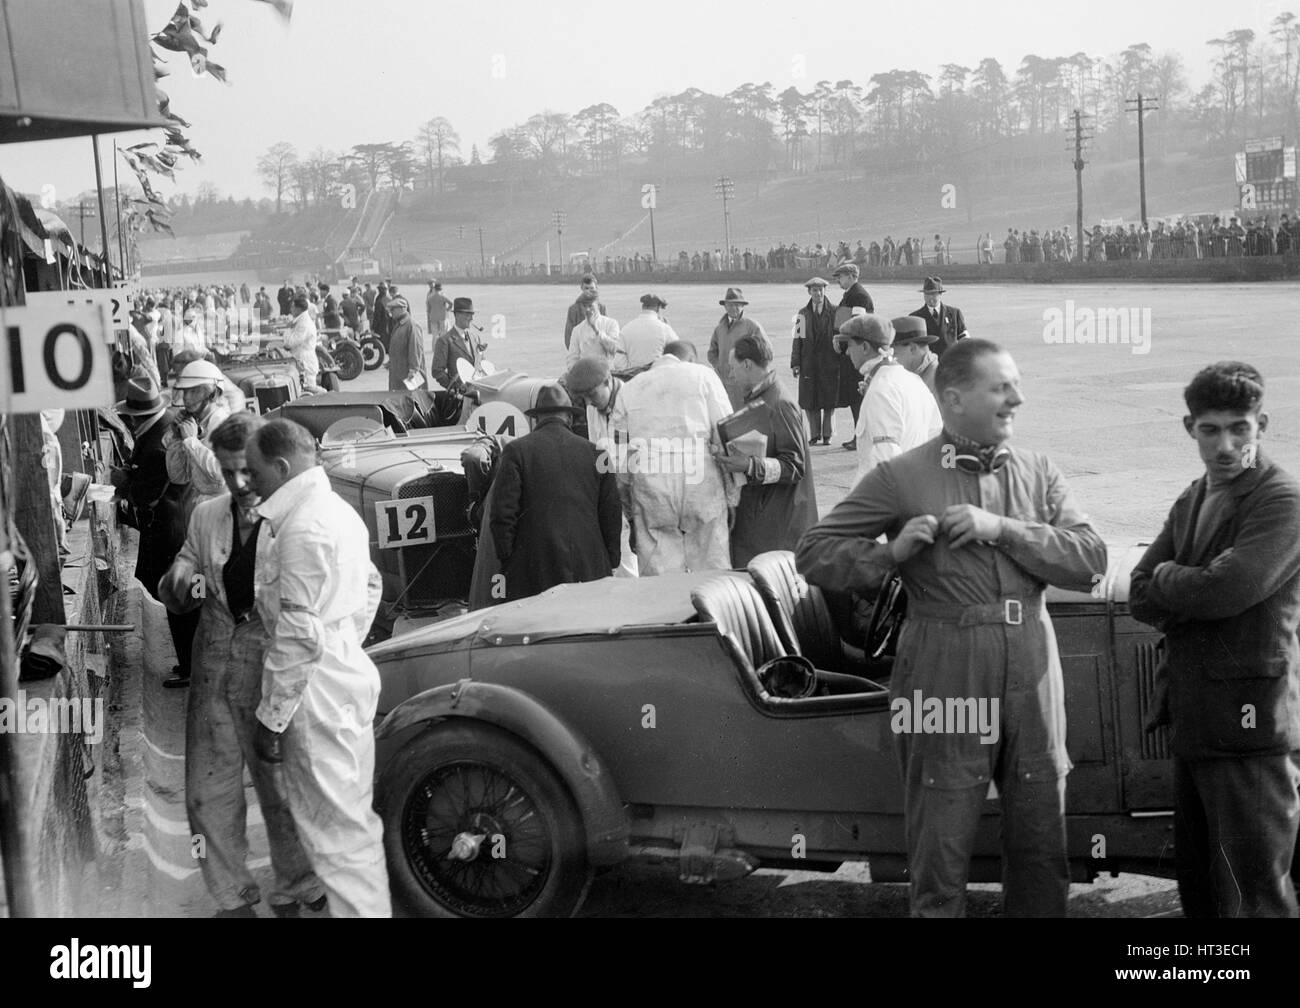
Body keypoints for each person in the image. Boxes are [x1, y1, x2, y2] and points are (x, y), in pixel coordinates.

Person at [796, 338, 1106, 917]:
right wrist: (887, 557)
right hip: (944, 671)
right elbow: (813, 552)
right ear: (956, 398)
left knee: (1042, 839)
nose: (1018, 398)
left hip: (1035, 670)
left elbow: (1090, 559)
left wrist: (1004, 529)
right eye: (1001, 387)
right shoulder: (902, 477)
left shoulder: (1039, 471)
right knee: (941, 842)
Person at [1129, 362, 1300, 918]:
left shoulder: (1281, 501)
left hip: (1251, 728)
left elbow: (1229, 591)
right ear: (1189, 428)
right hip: (1198, 719)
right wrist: (1190, 585)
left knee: (1253, 900)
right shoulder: (1195, 495)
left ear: (1262, 424)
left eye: (1240, 428)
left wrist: (1174, 580)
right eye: (1211, 430)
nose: (1226, 445)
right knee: (1204, 894)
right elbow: (1137, 591)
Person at [158, 413, 327, 918]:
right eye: (228, 472)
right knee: (205, 793)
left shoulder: (298, 519)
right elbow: (184, 572)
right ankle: (230, 895)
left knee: (282, 782)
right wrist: (180, 583)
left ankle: (299, 883)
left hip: (271, 661)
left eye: (246, 471)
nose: (238, 484)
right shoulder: (207, 516)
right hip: (214, 657)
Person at [244, 419, 391, 918]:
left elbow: (299, 633)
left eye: (255, 471)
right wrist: (344, 639)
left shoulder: (303, 525)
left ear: (283, 467)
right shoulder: (334, 511)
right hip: (342, 669)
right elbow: (371, 586)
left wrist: (271, 717)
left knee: (337, 835)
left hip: (318, 687)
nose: (249, 481)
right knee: (348, 824)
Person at [606, 341, 736, 575]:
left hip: (652, 485)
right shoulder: (704, 376)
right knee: (711, 566)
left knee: (660, 573)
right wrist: (733, 495)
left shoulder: (629, 389)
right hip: (701, 480)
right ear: (690, 359)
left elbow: (621, 459)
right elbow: (726, 436)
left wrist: (630, 510)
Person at [488, 384, 621, 602]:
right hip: (590, 564)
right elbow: (612, 512)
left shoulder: (516, 451)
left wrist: (509, 560)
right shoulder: (599, 453)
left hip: (534, 567)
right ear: (569, 418)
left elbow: (502, 515)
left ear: (537, 418)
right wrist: (611, 560)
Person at [111, 374, 195, 688]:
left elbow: (146, 493)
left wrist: (125, 483)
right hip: (173, 524)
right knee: (179, 600)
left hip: (169, 528)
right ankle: (188, 663)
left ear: (134, 418)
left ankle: (189, 667)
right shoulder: (161, 428)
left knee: (178, 601)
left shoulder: (156, 442)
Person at [712, 331, 816, 568]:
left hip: (776, 527)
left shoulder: (779, 404)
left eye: (733, 367)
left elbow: (794, 466)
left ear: (747, 364)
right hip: (764, 518)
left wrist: (749, 465)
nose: (730, 373)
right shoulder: (762, 397)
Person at [837, 315, 941, 487]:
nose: (847, 352)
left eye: (849, 345)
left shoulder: (881, 389)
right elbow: (936, 437)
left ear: (864, 347)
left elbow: (884, 459)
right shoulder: (914, 381)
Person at [564, 357, 638, 579]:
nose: (588, 403)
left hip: (641, 493)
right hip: (615, 496)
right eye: (583, 398)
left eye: (592, 395)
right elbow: (599, 453)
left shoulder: (633, 400)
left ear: (608, 381)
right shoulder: (592, 408)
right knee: (623, 562)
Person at [791, 277, 846, 446]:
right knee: (810, 400)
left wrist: (842, 359)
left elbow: (842, 337)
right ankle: (814, 434)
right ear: (809, 292)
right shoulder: (802, 314)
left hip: (830, 362)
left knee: (829, 400)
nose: (818, 293)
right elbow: (797, 339)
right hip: (809, 364)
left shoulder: (837, 311)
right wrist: (796, 363)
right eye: (815, 290)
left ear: (825, 291)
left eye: (821, 289)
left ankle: (827, 435)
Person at [707, 287, 767, 412]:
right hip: (724, 384)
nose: (734, 308)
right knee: (727, 417)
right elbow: (712, 352)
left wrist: (750, 370)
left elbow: (765, 351)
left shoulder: (751, 326)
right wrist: (719, 367)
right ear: (725, 306)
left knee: (746, 419)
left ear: (743, 307)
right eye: (730, 305)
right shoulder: (720, 328)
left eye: (737, 305)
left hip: (745, 384)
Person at [431, 297, 485, 391]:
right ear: (457, 315)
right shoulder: (444, 341)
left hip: (480, 392)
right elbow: (437, 371)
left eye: (472, 314)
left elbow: (481, 365)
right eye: (468, 314)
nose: (471, 318)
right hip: (460, 398)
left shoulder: (475, 338)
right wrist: (454, 388)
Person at [566, 291, 627, 371]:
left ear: (598, 305)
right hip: (585, 374)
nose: (587, 309)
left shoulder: (611, 323)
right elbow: (572, 358)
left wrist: (595, 328)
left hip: (607, 373)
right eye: (584, 306)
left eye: (590, 306)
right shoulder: (577, 330)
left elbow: (614, 349)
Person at [909, 276, 969, 357]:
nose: (930, 298)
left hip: (950, 362)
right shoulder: (915, 318)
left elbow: (964, 339)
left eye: (933, 294)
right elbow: (911, 346)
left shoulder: (955, 313)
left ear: (940, 294)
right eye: (927, 294)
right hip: (927, 365)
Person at [620, 293, 677, 370]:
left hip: (633, 377)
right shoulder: (665, 328)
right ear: (658, 309)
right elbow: (678, 351)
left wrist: (630, 373)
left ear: (643, 307)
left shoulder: (626, 328)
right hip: (658, 375)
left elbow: (619, 359)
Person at [891, 315, 941, 400]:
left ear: (912, 348)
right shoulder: (920, 374)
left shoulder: (937, 382)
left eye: (895, 354)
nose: (892, 360)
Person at [384, 296, 426, 392]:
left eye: (393, 310)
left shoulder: (412, 326)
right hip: (397, 374)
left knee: (410, 401)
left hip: (408, 376)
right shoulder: (399, 325)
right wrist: (391, 362)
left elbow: (415, 350)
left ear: (401, 309)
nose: (391, 312)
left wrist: (413, 370)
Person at [282, 294, 322, 393]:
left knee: (309, 392)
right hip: (301, 360)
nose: (291, 309)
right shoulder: (300, 321)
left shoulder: (304, 323)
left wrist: (287, 329)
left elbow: (289, 343)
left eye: (292, 307)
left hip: (305, 362)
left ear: (298, 309)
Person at [563, 274, 606, 352]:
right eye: (586, 288)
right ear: (581, 288)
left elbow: (606, 331)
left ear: (596, 288)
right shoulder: (573, 309)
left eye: (591, 288)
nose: (589, 291)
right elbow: (568, 335)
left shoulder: (602, 308)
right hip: (580, 353)